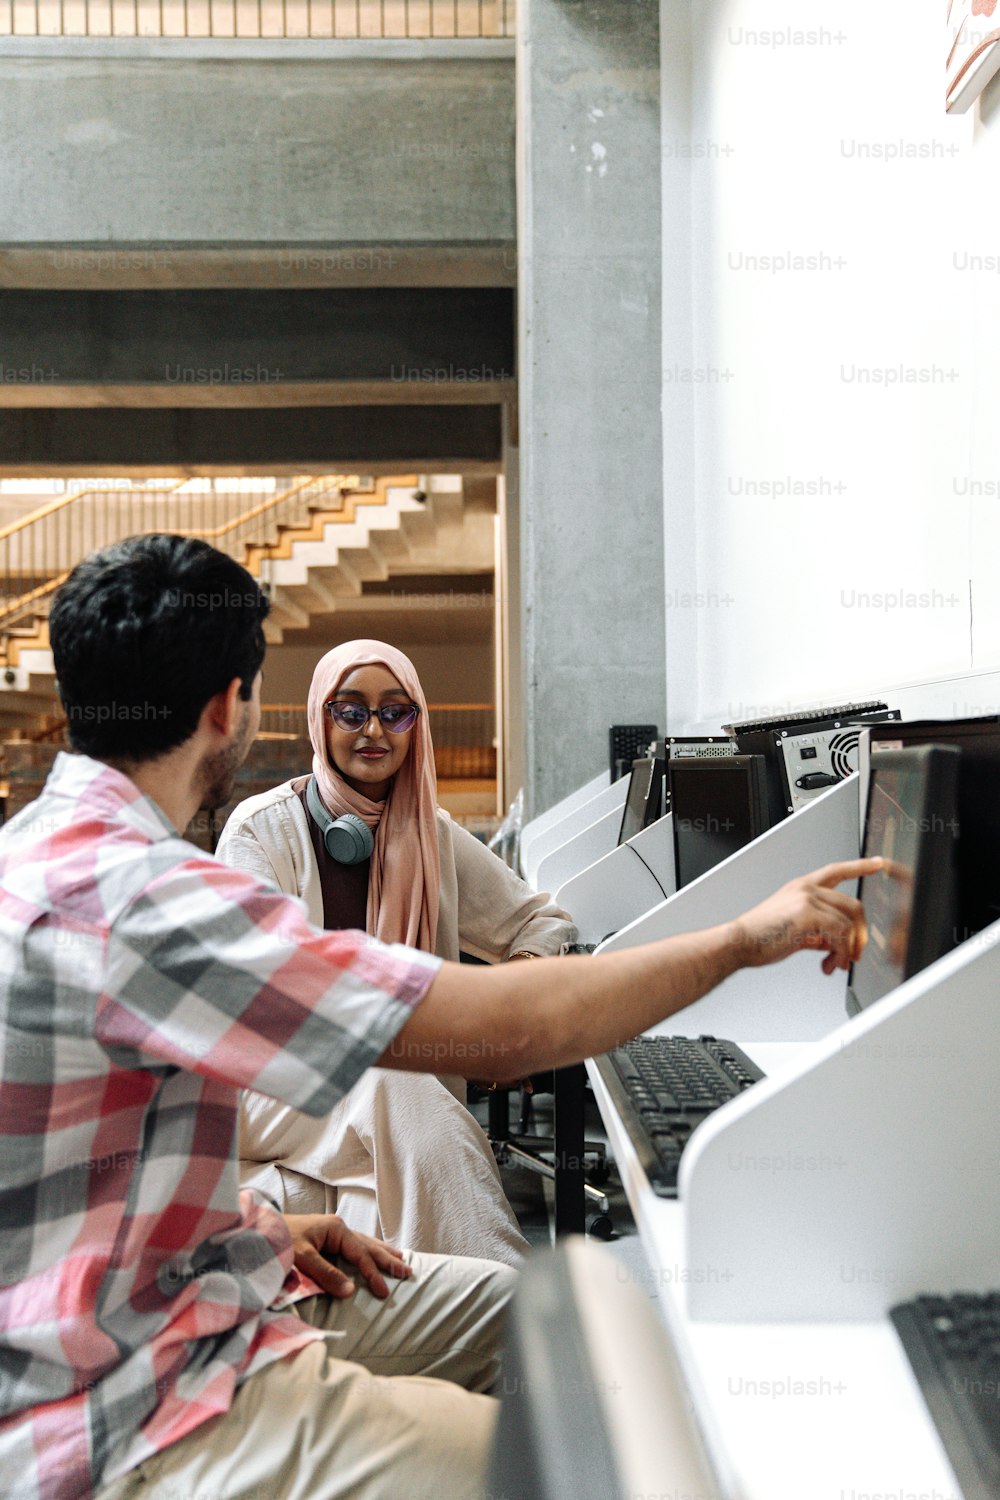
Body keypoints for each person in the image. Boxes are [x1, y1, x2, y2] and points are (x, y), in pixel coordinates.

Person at [0, 535, 878, 1500]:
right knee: (579, 1456)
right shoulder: (155, 896)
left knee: (550, 1327)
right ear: (231, 705)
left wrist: (256, 1229)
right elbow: (506, 1032)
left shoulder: (35, 856)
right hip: (135, 1399)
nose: (372, 732)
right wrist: (743, 940)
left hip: (208, 1280)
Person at [216, 639, 575, 1267]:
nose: (374, 730)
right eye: (350, 711)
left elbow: (543, 921)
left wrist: (513, 995)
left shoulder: (431, 832)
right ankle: (516, 1308)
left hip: (380, 1111)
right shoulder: (259, 830)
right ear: (319, 721)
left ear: (417, 723)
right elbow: (264, 993)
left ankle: (444, 1327)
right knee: (393, 1080)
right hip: (270, 1086)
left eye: (396, 712)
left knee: (364, 1202)